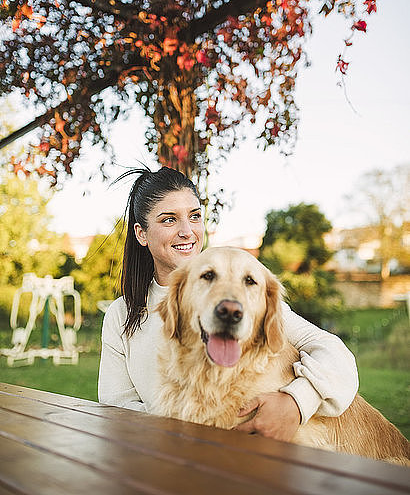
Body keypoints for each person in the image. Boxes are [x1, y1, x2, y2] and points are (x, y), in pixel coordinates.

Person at [98, 166, 359, 441]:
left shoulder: (244, 296)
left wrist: (297, 403)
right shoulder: (121, 316)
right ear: (141, 234)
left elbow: (336, 354)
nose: (187, 231)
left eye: (194, 216)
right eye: (169, 220)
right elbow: (117, 409)